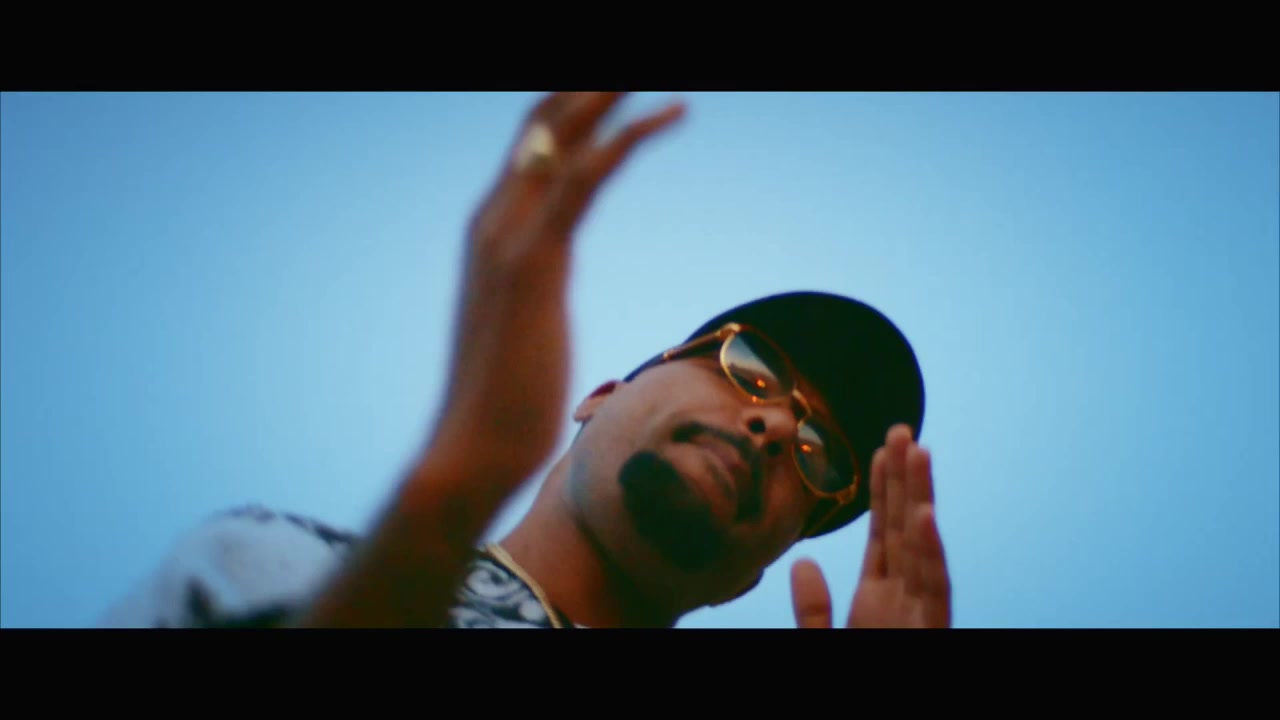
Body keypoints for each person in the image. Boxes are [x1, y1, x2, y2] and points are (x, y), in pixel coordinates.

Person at [96, 92, 951, 629]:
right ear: (600, 395)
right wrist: (459, 481)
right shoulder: (275, 562)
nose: (774, 426)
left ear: (748, 581)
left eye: (819, 457)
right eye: (752, 369)